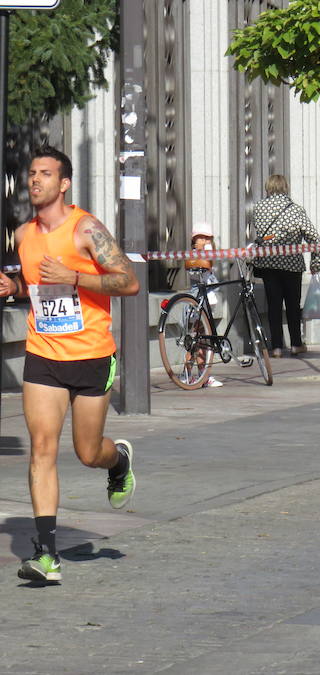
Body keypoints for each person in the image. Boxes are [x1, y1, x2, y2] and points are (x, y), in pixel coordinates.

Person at [0, 146, 140, 583]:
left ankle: (116, 461)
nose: (35, 180)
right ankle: (47, 555)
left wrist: (75, 277)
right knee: (42, 449)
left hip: (92, 354)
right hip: (43, 354)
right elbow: (37, 289)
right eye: (31, 173)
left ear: (64, 183)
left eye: (45, 173)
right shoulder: (23, 235)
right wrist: (14, 287)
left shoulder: (86, 230)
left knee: (86, 451)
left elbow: (129, 282)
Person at [250, 174, 320, 358]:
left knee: (273, 305)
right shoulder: (295, 210)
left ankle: (276, 347)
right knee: (292, 304)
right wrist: (315, 261)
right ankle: (296, 344)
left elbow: (260, 234)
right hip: (291, 263)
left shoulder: (258, 208)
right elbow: (313, 236)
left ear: (268, 187)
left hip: (268, 263)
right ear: (285, 188)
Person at [185, 222, 223, 387]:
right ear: (194, 239)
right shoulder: (192, 255)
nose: (204, 240)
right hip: (197, 299)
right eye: (201, 237)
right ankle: (187, 373)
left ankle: (205, 375)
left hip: (209, 299)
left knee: (206, 339)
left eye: (207, 238)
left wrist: (208, 253)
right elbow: (194, 269)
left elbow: (211, 264)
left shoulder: (210, 253)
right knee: (194, 338)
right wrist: (202, 253)